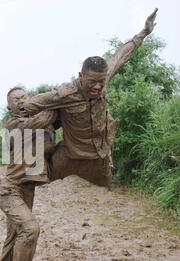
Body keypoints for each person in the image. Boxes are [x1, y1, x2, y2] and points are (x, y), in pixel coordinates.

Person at [23, 8, 158, 187]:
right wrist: (18, 107)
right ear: (81, 76)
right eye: (92, 82)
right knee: (30, 180)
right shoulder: (64, 93)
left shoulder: (104, 78)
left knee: (110, 184)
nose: (97, 86)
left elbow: (122, 54)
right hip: (68, 156)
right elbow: (32, 104)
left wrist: (144, 32)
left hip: (97, 159)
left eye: (101, 82)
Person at [0, 88, 58, 261]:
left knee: (15, 233)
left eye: (24, 97)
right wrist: (55, 100)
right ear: (9, 107)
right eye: (16, 99)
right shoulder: (14, 125)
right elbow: (45, 118)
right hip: (9, 190)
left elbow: (50, 132)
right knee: (30, 229)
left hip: (26, 190)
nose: (21, 101)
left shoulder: (41, 125)